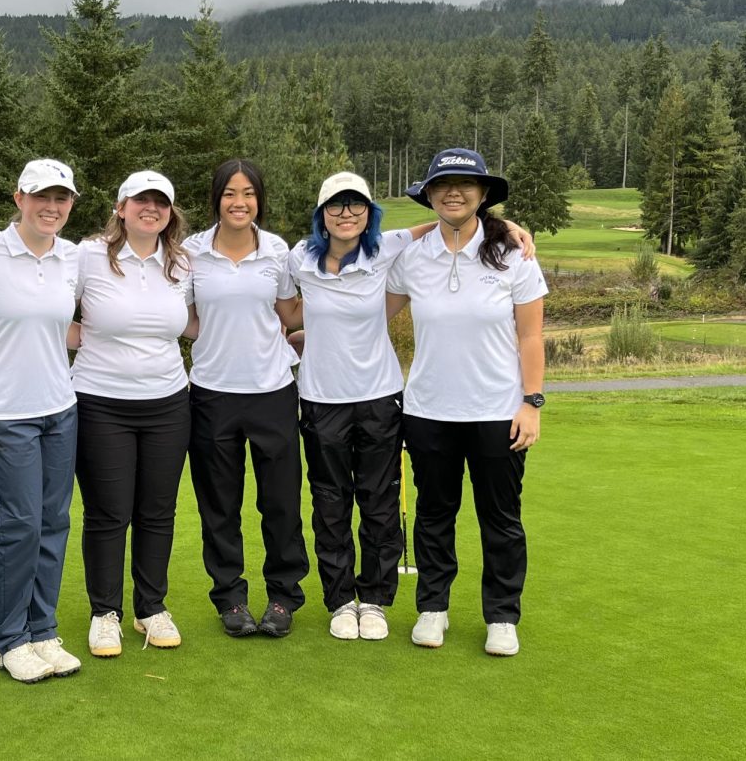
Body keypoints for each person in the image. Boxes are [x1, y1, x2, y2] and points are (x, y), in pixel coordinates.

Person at [288, 171, 532, 642]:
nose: (346, 213)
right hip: (319, 398)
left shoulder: (387, 247)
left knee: (379, 505)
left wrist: (507, 225)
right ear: (321, 214)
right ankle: (341, 601)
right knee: (329, 504)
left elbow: (446, 222)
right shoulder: (299, 257)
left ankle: (375, 601)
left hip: (380, 396)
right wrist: (294, 339)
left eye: (356, 204)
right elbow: (280, 308)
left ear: (368, 213)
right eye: (336, 206)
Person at [386, 148, 547, 657]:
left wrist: (532, 403)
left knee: (501, 518)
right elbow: (370, 314)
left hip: (499, 412)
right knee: (435, 514)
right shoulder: (413, 256)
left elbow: (531, 338)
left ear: (482, 195)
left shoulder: (513, 253)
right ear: (429, 195)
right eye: (442, 185)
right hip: (429, 409)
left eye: (464, 185)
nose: (453, 193)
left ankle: (502, 616)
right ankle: (433, 609)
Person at [0, 159, 84, 683]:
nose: (51, 207)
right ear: (18, 198)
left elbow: (75, 324)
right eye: (41, 197)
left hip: (60, 406)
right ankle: (7, 639)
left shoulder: (74, 258)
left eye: (61, 199)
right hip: (2, 412)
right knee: (20, 525)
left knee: (54, 522)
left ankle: (42, 629)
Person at [183, 159, 309, 638]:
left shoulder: (277, 250)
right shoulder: (192, 252)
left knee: (280, 504)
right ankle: (230, 598)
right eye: (230, 193)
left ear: (260, 199)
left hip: (273, 390)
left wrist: (311, 330)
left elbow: (290, 310)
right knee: (220, 505)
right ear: (216, 198)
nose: (240, 202)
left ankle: (282, 597)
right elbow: (185, 318)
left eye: (249, 193)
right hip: (212, 394)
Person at [71, 171, 195, 657]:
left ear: (170, 212)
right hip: (100, 402)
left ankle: (151, 607)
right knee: (108, 512)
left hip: (168, 401)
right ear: (120, 207)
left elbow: (194, 324)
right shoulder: (87, 255)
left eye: (160, 202)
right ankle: (105, 613)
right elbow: (46, 308)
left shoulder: (183, 262)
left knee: (157, 511)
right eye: (140, 200)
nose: (151, 208)